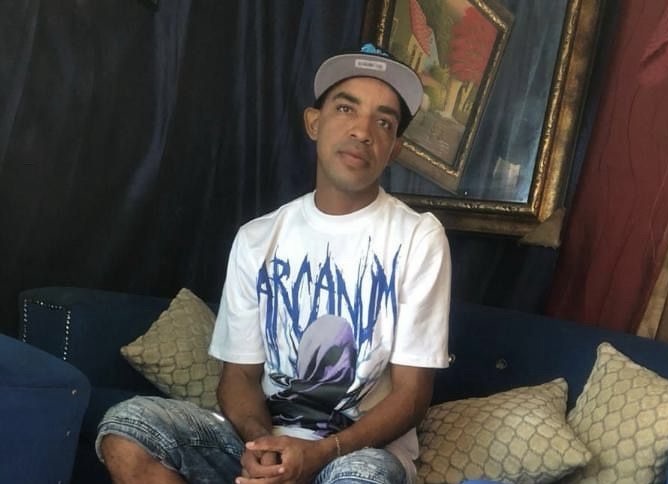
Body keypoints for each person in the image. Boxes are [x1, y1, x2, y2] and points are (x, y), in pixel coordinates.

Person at [96, 43, 451, 484]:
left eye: (384, 122)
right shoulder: (257, 238)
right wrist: (262, 446)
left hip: (359, 452)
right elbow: (239, 378)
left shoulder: (419, 237)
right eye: (346, 109)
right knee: (127, 429)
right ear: (314, 123)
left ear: (394, 148)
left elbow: (412, 396)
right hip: (265, 440)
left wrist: (318, 454)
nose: (363, 131)